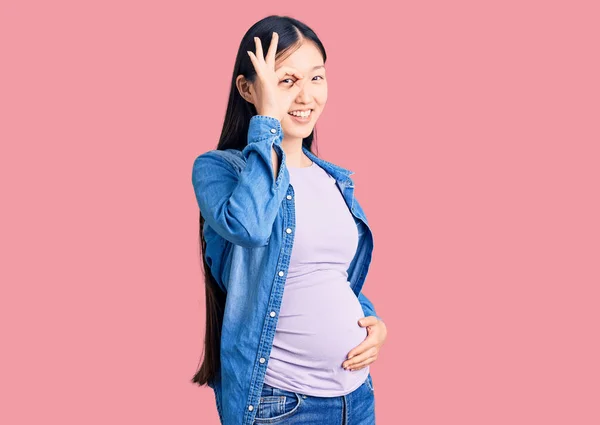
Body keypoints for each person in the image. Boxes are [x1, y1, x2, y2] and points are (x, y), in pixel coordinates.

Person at [191, 15, 387, 425]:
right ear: (250, 89)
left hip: (357, 397)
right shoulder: (219, 171)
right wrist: (267, 125)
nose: (306, 96)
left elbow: (328, 277)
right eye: (286, 81)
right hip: (282, 405)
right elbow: (250, 227)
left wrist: (372, 324)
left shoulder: (334, 179)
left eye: (316, 78)